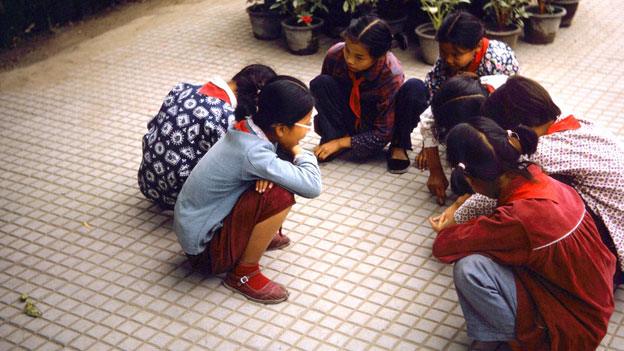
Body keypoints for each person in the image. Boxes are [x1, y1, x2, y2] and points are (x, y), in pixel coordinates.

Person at [430, 118, 615, 351]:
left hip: (570, 331)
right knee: (497, 255)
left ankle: (518, 345)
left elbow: (444, 246)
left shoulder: (520, 218)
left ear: (470, 178)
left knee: (470, 268)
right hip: (592, 310)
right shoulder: (539, 177)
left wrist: (470, 227)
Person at [451, 75, 624, 285]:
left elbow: (503, 187)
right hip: (614, 231)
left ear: (517, 129)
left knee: (532, 195)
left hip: (613, 255)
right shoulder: (580, 124)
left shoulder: (541, 152)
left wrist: (457, 218)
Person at [173, 76, 322, 304]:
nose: (308, 130)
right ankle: (244, 273)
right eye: (307, 123)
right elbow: (312, 185)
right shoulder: (254, 154)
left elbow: (262, 163)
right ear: (281, 128)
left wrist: (267, 172)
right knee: (280, 195)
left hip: (196, 230)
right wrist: (298, 149)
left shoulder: (248, 127)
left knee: (274, 180)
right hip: (205, 253)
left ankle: (254, 238)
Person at [138, 64, 277, 210]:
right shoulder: (225, 116)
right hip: (179, 196)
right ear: (255, 97)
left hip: (148, 183)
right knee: (259, 179)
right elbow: (239, 162)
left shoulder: (182, 88)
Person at [416, 11, 519, 204]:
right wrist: (433, 163)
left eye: (456, 54)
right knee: (460, 180)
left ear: (478, 46)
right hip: (458, 112)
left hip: (491, 122)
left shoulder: (499, 63)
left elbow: (506, 113)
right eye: (443, 53)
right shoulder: (445, 63)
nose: (448, 60)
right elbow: (434, 110)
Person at [310, 15, 426, 174]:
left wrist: (340, 144)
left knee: (415, 89)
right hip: (349, 114)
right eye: (347, 50)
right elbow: (326, 98)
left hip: (377, 122)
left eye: (359, 57)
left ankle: (398, 145)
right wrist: (334, 136)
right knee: (321, 83)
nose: (350, 60)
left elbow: (383, 132)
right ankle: (336, 135)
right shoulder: (335, 54)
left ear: (378, 56)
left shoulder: (391, 73)